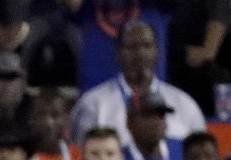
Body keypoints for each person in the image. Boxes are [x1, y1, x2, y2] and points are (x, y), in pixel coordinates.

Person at [70, 20, 206, 146]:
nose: (140, 53)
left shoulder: (185, 105)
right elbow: (82, 158)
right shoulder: (93, 105)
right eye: (132, 47)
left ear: (157, 51)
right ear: (118, 53)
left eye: (147, 46)